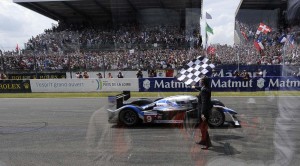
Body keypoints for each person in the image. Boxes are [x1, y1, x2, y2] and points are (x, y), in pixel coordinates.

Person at [192, 76, 213, 150]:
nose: (200, 81)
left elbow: (204, 102)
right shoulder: (206, 88)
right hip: (205, 110)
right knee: (202, 127)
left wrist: (202, 113)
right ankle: (203, 140)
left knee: (203, 128)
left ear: (204, 82)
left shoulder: (204, 90)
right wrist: (194, 86)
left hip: (203, 110)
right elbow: (200, 89)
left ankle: (207, 144)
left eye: (201, 80)